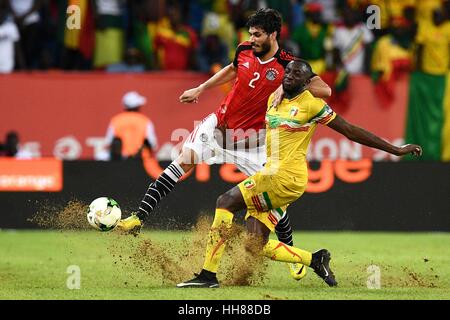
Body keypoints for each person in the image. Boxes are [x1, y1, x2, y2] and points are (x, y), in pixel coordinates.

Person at [117, 8, 331, 281]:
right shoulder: (243, 49)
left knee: (271, 201)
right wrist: (200, 89)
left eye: (258, 34)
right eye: (250, 33)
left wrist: (286, 87)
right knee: (184, 159)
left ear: (273, 35)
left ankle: (292, 253)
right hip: (219, 126)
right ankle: (138, 218)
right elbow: (232, 70)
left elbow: (325, 90)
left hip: (253, 142)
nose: (251, 39)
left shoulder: (287, 65)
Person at [176, 59, 423, 288]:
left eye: (297, 74)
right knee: (254, 245)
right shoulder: (275, 98)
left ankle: (208, 275)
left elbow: (350, 130)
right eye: (288, 71)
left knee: (225, 202)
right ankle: (315, 259)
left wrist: (396, 149)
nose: (290, 75)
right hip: (274, 176)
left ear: (307, 83)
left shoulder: (312, 105)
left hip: (284, 177)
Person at [105, 91, 158, 159]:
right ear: (138, 106)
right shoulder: (145, 121)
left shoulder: (116, 120)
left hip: (119, 161)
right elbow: (153, 145)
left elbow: (108, 144)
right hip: (140, 161)